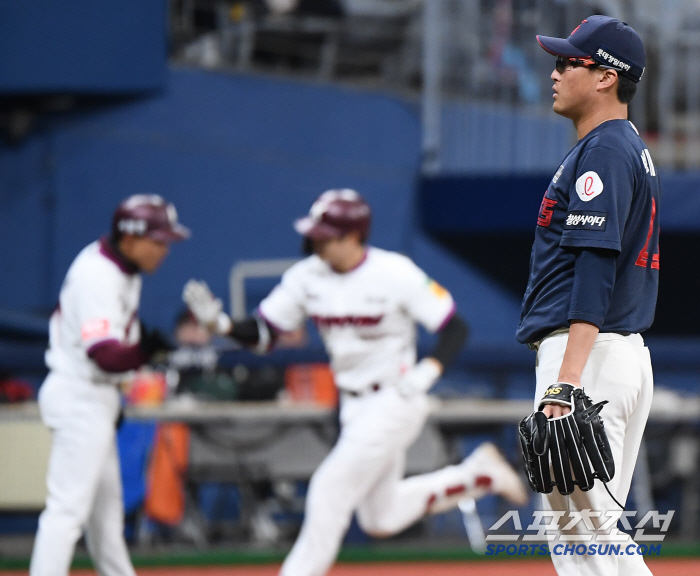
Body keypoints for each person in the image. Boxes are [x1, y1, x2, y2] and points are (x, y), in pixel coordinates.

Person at [183, 188, 527, 576]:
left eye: (324, 233)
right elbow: (265, 333)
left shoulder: (394, 271)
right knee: (382, 517)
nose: (314, 240)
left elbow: (455, 327)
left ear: (352, 236)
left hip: (394, 398)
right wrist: (222, 325)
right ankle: (478, 474)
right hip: (352, 403)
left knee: (328, 491)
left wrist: (427, 371)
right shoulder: (306, 276)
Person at [517, 16, 660, 576]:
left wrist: (566, 381)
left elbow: (595, 268)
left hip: (587, 356)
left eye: (567, 62)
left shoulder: (603, 151)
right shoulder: (623, 148)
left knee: (594, 547)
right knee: (583, 547)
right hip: (610, 353)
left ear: (605, 76)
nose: (554, 73)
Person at [30, 194, 190, 576]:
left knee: (105, 518)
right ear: (131, 239)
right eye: (159, 241)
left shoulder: (119, 266)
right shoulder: (99, 275)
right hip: (79, 394)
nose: (164, 251)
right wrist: (143, 353)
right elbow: (104, 355)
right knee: (67, 512)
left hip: (95, 396)